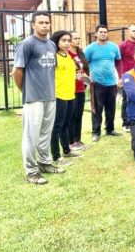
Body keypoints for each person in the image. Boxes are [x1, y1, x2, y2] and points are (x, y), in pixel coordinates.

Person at [12, 12, 64, 185]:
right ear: (33, 24)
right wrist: (25, 90)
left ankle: (45, 163)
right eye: (41, 22)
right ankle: (31, 172)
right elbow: (17, 72)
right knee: (31, 136)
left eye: (47, 22)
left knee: (45, 133)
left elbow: (51, 70)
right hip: (34, 97)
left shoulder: (51, 45)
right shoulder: (26, 44)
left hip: (50, 96)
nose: (44, 25)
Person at [84, 24, 123, 142]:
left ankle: (110, 129)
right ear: (96, 34)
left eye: (105, 32)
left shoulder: (114, 47)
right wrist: (89, 76)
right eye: (101, 32)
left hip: (112, 82)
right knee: (97, 108)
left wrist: (120, 77)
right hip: (97, 83)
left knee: (111, 107)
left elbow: (119, 63)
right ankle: (96, 132)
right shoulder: (90, 49)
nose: (103, 34)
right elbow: (84, 64)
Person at [50, 30, 82, 167]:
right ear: (56, 41)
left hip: (70, 94)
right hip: (58, 95)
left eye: (69, 40)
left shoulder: (68, 56)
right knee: (57, 126)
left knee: (67, 124)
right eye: (64, 40)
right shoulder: (53, 56)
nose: (67, 43)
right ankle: (56, 156)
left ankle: (67, 151)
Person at [68, 31, 90, 151]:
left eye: (79, 38)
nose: (77, 40)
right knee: (72, 115)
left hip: (81, 87)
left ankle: (78, 139)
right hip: (70, 88)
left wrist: (87, 77)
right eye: (75, 38)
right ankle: (70, 141)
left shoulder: (79, 53)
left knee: (79, 115)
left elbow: (84, 69)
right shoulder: (67, 54)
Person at [119, 25, 135, 132]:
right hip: (127, 77)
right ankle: (126, 123)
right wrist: (120, 77)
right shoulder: (123, 45)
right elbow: (118, 61)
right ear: (129, 32)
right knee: (127, 99)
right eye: (133, 31)